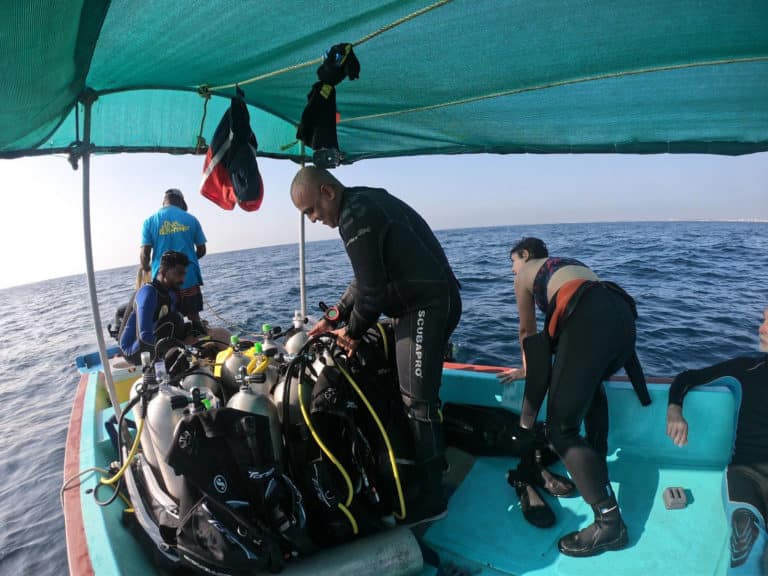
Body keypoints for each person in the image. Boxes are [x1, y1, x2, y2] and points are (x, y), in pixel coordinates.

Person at [290, 166, 462, 526]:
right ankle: (432, 461)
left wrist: (350, 333)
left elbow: (373, 293)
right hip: (424, 303)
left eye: (311, 211)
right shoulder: (363, 202)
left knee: (418, 402)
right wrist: (334, 318)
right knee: (420, 396)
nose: (315, 219)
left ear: (327, 191)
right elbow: (362, 280)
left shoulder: (355, 217)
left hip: (425, 306)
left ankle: (433, 497)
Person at [499, 237, 649, 557]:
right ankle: (596, 471)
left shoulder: (525, 275)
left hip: (589, 318)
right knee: (590, 387)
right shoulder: (569, 265)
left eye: (512, 261)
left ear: (525, 256)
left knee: (560, 430)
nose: (512, 270)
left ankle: (610, 524)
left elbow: (528, 333)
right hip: (622, 314)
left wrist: (528, 369)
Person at [666, 307, 768, 575]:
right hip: (747, 477)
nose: (761, 328)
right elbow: (687, 378)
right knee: (748, 546)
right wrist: (674, 410)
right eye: (764, 319)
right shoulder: (747, 368)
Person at [140, 188, 207, 323]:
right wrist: (185, 262)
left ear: (164, 202)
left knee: (165, 322)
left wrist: (147, 268)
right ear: (181, 202)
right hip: (187, 277)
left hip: (163, 282)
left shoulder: (150, 222)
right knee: (194, 319)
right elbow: (201, 250)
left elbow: (144, 254)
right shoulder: (191, 219)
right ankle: (198, 337)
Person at [120, 250, 192, 365]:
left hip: (152, 341)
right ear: (163, 271)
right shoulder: (149, 292)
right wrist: (179, 346)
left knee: (184, 323)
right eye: (178, 274)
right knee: (174, 319)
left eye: (184, 274)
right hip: (133, 351)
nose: (182, 280)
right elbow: (144, 337)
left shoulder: (171, 293)